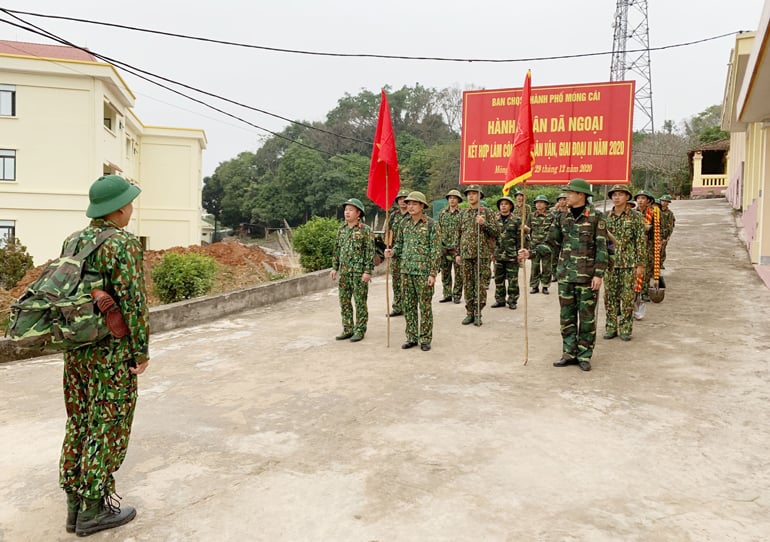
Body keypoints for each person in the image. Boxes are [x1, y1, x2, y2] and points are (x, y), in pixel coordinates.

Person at [59, 175, 149, 536]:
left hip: (76, 350)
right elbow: (134, 303)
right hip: (111, 352)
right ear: (117, 209)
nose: (131, 209)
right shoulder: (123, 244)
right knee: (107, 425)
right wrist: (140, 351)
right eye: (128, 203)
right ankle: (93, 510)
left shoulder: (73, 240)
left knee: (78, 421)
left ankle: (73, 506)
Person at [524, 178, 607, 372]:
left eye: (570, 193)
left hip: (587, 278)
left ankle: (584, 354)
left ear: (581, 195)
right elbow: (551, 243)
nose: (566, 196)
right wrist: (531, 252)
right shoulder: (562, 217)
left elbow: (602, 247)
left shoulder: (596, 217)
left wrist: (599, 274)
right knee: (566, 317)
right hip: (566, 276)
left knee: (587, 319)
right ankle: (569, 353)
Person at [384, 191, 441, 351]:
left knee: (424, 306)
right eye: (408, 203)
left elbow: (436, 250)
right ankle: (411, 337)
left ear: (422, 206)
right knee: (408, 306)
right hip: (406, 271)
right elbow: (399, 244)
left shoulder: (431, 224)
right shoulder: (404, 224)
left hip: (423, 273)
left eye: (414, 203)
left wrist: (432, 273)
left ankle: (425, 338)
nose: (410, 206)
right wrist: (392, 251)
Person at [603, 185, 646, 341]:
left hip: (629, 264)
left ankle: (626, 328)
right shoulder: (606, 217)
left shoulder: (635, 217)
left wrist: (640, 264)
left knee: (627, 297)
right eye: (614, 195)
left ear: (627, 197)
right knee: (610, 297)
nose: (616, 197)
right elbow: (602, 241)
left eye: (620, 194)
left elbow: (640, 242)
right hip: (610, 264)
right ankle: (611, 326)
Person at [330, 198, 374, 342]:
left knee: (360, 301)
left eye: (350, 210)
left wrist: (367, 271)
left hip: (359, 273)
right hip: (345, 272)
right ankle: (347, 328)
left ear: (358, 213)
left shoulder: (365, 230)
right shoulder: (342, 230)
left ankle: (360, 330)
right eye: (346, 210)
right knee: (344, 301)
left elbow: (370, 252)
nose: (347, 212)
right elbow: (337, 250)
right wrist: (334, 267)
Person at [455, 185, 500, 326]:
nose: (471, 196)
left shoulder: (487, 212)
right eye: (469, 194)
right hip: (466, 254)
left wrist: (484, 223)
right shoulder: (463, 213)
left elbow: (497, 232)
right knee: (468, 284)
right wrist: (458, 253)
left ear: (480, 196)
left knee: (479, 285)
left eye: (474, 193)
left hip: (482, 254)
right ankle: (469, 312)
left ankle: (478, 313)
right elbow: (459, 234)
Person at [491, 195, 523, 310]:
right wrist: (491, 252)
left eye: (506, 204)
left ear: (510, 206)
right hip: (498, 254)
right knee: (498, 279)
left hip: (511, 255)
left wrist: (520, 253)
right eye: (501, 204)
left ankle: (512, 300)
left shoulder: (516, 220)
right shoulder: (494, 219)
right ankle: (500, 300)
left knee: (512, 279)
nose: (503, 206)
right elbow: (492, 237)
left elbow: (520, 238)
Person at [386, 188, 411, 316]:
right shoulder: (393, 216)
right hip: (395, 253)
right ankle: (397, 306)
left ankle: (407, 307)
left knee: (406, 282)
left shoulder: (412, 215)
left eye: (405, 199)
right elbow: (388, 231)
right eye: (400, 199)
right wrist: (388, 247)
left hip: (408, 253)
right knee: (396, 281)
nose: (403, 202)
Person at [438, 189, 464, 304]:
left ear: (458, 200)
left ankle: (457, 294)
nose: (452, 200)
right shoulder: (442, 213)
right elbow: (438, 229)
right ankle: (447, 294)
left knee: (458, 273)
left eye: (454, 198)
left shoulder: (462, 213)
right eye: (450, 198)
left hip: (456, 248)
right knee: (445, 272)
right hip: (444, 248)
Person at [634, 189, 658, 302]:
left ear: (648, 200)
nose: (640, 201)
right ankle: (634, 291)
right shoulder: (632, 213)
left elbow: (658, 230)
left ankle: (644, 291)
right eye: (638, 198)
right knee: (634, 268)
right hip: (634, 245)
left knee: (647, 268)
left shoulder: (654, 213)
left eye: (643, 198)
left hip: (648, 245)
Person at [528, 194, 554, 295]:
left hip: (547, 245)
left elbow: (554, 231)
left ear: (545, 204)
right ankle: (534, 286)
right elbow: (528, 229)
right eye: (537, 202)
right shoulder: (531, 215)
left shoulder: (551, 216)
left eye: (541, 202)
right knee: (534, 267)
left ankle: (545, 286)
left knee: (547, 267)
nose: (538, 204)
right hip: (534, 245)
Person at [550, 192, 568, 282]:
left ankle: (564, 273)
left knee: (566, 257)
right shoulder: (554, 213)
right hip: (556, 238)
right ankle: (554, 274)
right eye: (560, 200)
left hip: (567, 238)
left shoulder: (571, 213)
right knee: (554, 257)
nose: (562, 201)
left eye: (564, 199)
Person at [659, 194, 676, 268]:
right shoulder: (656, 210)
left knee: (662, 249)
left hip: (665, 233)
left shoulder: (669, 213)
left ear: (668, 203)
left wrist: (668, 235)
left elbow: (671, 225)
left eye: (665, 201)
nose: (663, 203)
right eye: (662, 201)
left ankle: (661, 262)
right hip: (657, 232)